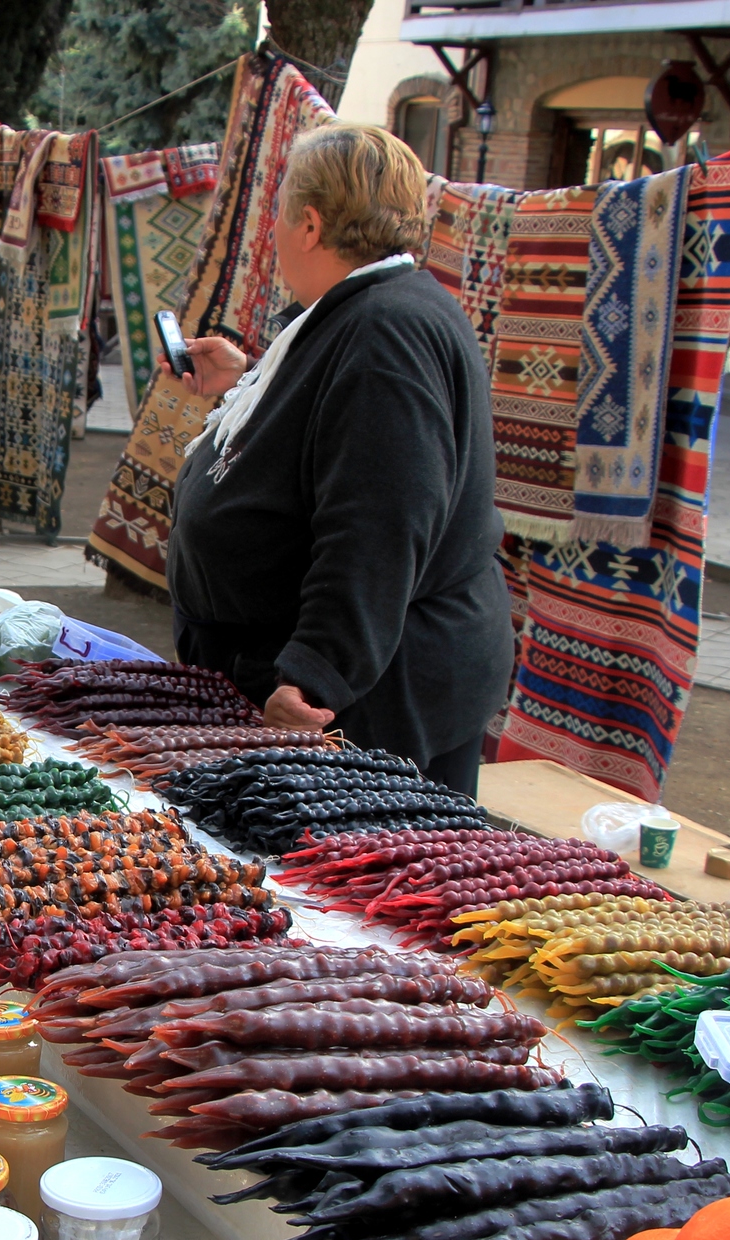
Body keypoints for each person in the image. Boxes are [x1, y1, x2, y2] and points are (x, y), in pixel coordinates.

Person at [162, 123, 512, 800]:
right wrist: (254, 379)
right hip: (353, 683)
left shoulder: (388, 331)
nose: (275, 227)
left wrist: (316, 675)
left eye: (282, 211)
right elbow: (338, 437)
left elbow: (380, 520)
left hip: (367, 701)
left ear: (312, 225)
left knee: (358, 890)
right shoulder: (367, 311)